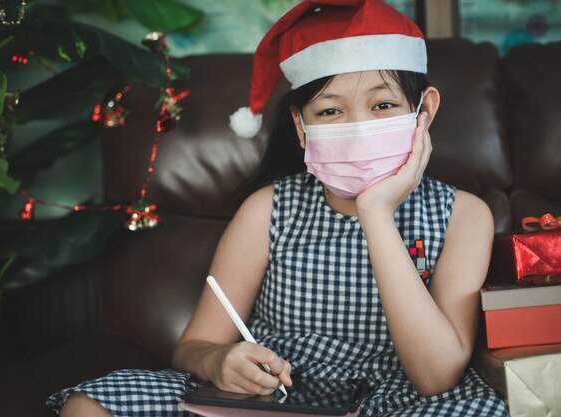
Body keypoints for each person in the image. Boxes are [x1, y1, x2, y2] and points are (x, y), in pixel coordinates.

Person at [47, 0, 509, 416]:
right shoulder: (268, 209)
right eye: (330, 112)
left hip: (397, 402)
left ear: (423, 111)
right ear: (300, 125)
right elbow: (193, 346)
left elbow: (437, 378)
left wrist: (376, 214)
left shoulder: (464, 215)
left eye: (383, 104)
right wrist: (218, 360)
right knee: (89, 406)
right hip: (275, 402)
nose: (356, 129)